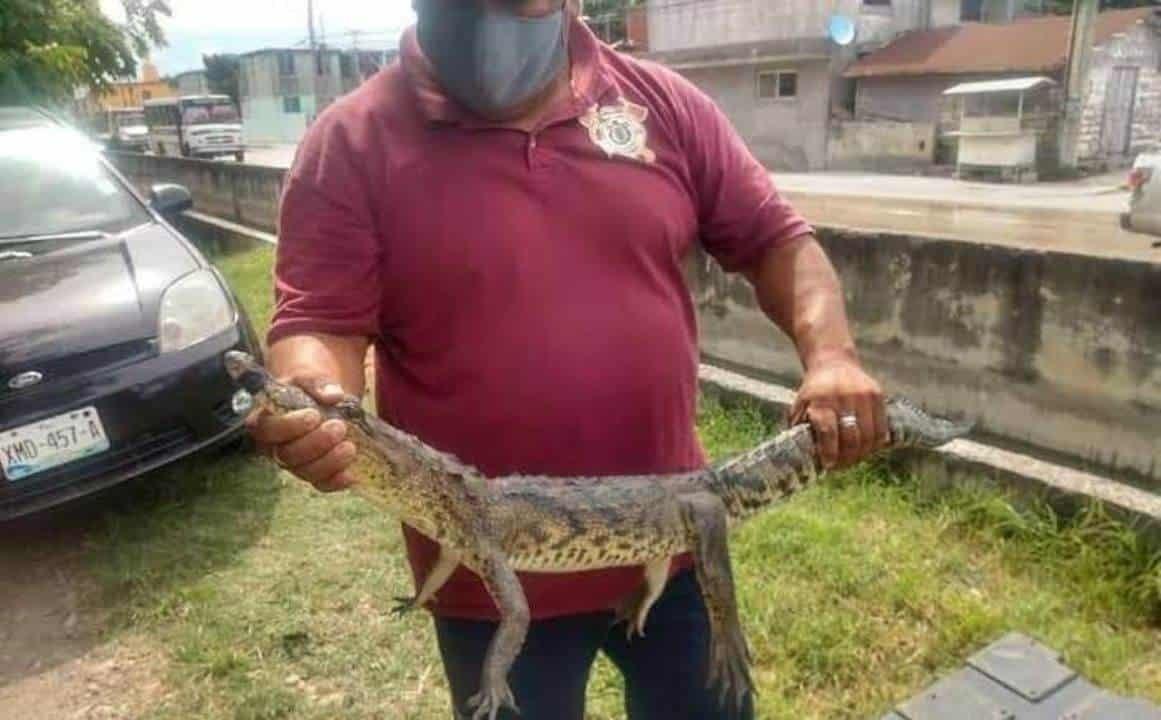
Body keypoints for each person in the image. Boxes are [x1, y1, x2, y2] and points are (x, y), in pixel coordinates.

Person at [248, 0, 888, 717]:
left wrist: (831, 354)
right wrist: (313, 398)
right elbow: (318, 325)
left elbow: (777, 242)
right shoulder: (350, 141)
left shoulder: (664, 104)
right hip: (490, 573)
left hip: (668, 538)